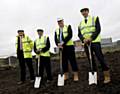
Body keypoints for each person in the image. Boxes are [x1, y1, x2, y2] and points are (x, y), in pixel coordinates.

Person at [78, 8, 111, 84]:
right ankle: (94, 77)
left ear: (88, 12)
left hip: (95, 42)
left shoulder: (94, 18)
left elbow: (98, 29)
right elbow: (79, 34)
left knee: (100, 58)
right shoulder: (80, 23)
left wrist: (91, 38)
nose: (84, 13)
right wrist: (83, 39)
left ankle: (107, 75)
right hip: (86, 43)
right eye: (82, 12)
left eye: (85, 11)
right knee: (91, 60)